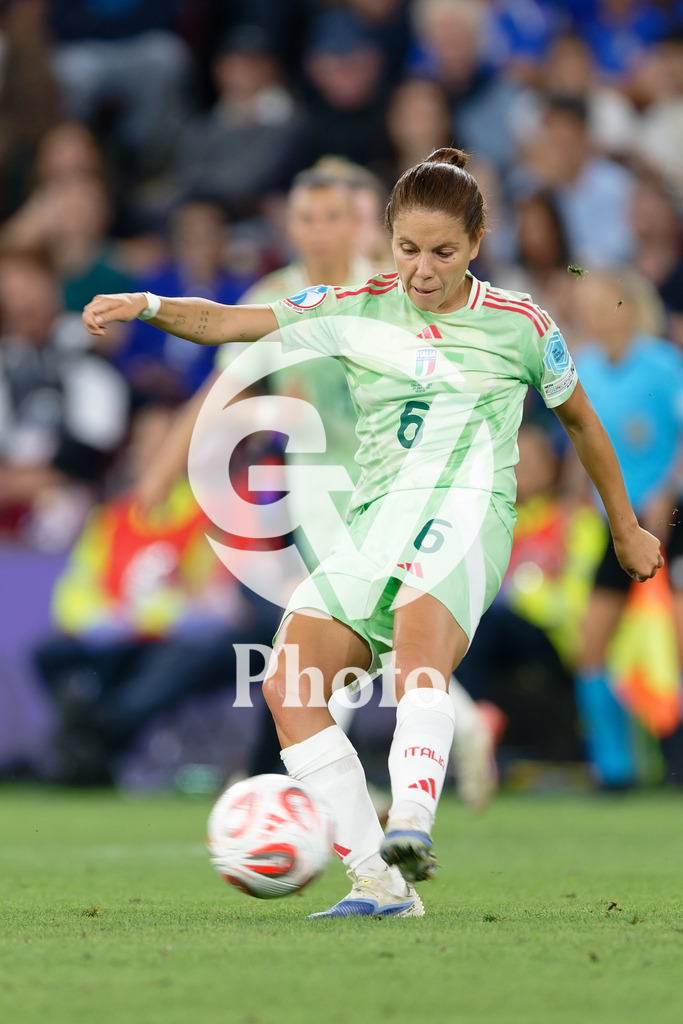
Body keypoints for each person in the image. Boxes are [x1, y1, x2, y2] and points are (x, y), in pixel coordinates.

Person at [82, 148, 663, 920]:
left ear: (477, 243)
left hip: (466, 513)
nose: (422, 269)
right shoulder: (354, 305)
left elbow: (582, 424)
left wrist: (624, 528)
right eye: (408, 248)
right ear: (387, 237)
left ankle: (411, 823)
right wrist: (147, 303)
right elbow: (228, 322)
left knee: (418, 654)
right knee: (289, 684)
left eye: (443, 252)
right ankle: (378, 883)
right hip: (373, 521)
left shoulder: (520, 323)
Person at [570, 268, 683, 789]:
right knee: (590, 642)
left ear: (630, 308)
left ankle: (673, 756)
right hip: (617, 524)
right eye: (586, 304)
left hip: (671, 518)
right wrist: (574, 501)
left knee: (676, 637)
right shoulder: (585, 368)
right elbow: (582, 442)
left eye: (602, 303)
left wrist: (667, 491)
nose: (592, 313)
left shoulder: (664, 365)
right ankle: (614, 768)